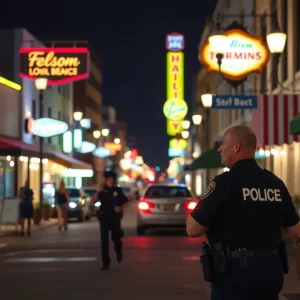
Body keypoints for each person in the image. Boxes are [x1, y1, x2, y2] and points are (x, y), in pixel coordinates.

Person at [186, 125, 300, 300]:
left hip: (234, 274)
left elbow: (193, 229)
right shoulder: (275, 183)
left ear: (236, 146)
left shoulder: (223, 183)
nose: (220, 148)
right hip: (271, 272)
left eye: (223, 143)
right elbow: (294, 230)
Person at [96, 170, 129, 270]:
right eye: (108, 179)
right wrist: (98, 191)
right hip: (104, 218)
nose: (110, 181)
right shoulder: (102, 191)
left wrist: (120, 207)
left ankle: (118, 251)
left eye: (111, 179)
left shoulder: (118, 190)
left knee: (116, 238)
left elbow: (127, 202)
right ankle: (106, 262)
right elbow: (93, 201)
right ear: (105, 180)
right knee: (104, 241)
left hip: (115, 218)